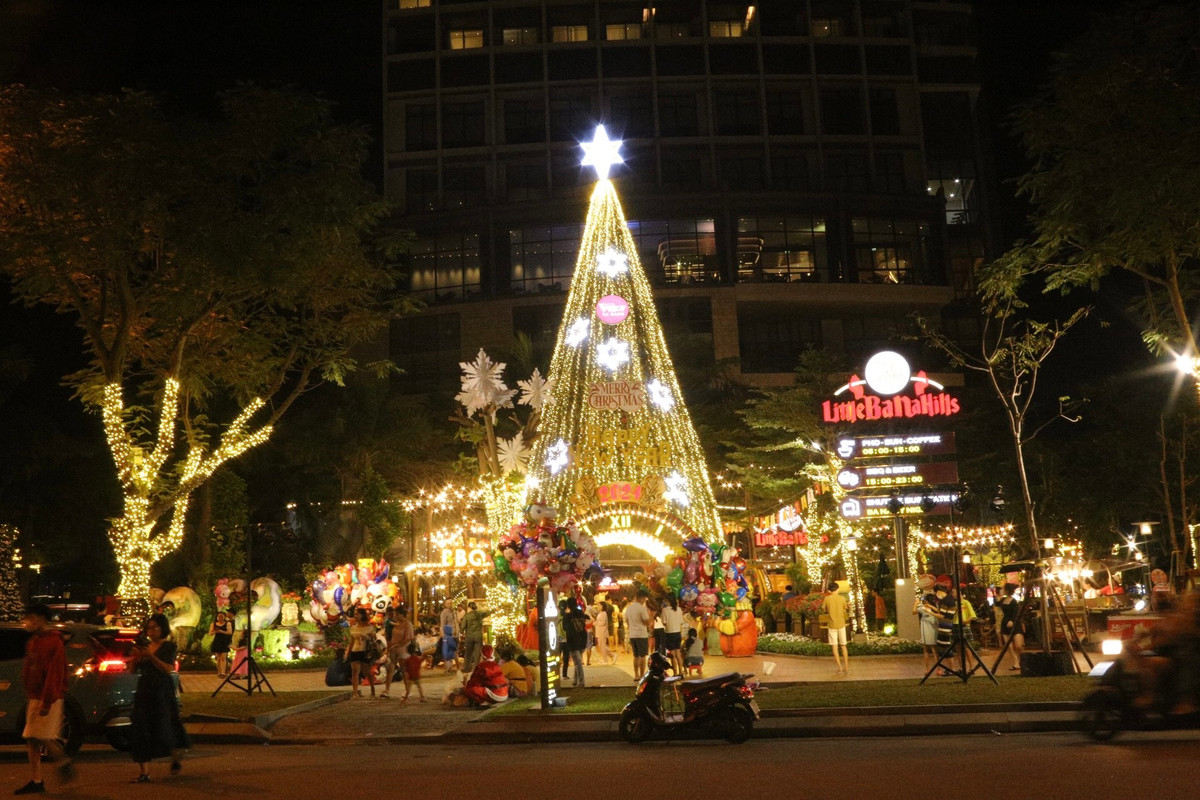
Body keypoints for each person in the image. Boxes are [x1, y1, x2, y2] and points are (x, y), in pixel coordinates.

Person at [15, 603, 74, 795]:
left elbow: (54, 674)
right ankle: (37, 778)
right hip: (36, 696)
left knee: (38, 736)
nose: (27, 622)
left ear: (41, 618)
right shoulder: (34, 641)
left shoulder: (53, 643)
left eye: (30, 617)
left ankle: (60, 762)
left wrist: (47, 701)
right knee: (33, 737)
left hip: (47, 697)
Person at [128, 613, 188, 783]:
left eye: (155, 627)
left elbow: (168, 668)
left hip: (162, 690)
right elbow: (132, 670)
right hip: (145, 689)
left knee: (167, 725)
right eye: (149, 627)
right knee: (141, 726)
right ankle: (144, 771)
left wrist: (151, 656)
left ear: (163, 628)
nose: (152, 630)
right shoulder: (146, 646)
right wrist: (135, 657)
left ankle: (176, 756)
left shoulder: (168, 646)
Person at [344, 608, 377, 699]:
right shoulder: (353, 628)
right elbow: (351, 641)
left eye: (357, 614)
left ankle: (372, 690)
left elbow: (374, 641)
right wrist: (348, 651)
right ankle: (355, 693)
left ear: (362, 615)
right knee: (355, 671)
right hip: (355, 650)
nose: (355, 616)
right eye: (355, 614)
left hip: (365, 651)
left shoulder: (369, 628)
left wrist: (367, 637)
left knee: (367, 671)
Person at [382, 605, 413, 699]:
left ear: (402, 615)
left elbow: (408, 638)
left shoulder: (408, 624)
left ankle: (407, 690)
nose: (395, 616)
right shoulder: (396, 623)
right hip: (393, 649)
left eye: (397, 614)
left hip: (403, 649)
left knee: (404, 670)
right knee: (390, 669)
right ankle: (387, 690)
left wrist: (398, 645)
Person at [822, 581, 850, 675]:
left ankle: (840, 667)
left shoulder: (827, 598)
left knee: (834, 646)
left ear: (829, 590)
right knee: (843, 645)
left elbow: (824, 609)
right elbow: (845, 608)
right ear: (838, 589)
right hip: (841, 624)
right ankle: (846, 666)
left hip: (832, 625)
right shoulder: (842, 598)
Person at [624, 589, 651, 679]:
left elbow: (627, 622)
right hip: (641, 635)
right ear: (642, 598)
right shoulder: (641, 609)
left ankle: (636, 675)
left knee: (635, 656)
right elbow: (647, 622)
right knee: (642, 656)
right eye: (645, 599)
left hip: (632, 635)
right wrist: (652, 616)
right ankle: (642, 675)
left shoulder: (629, 608)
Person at [996, 583, 1023, 670]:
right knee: (1008, 645)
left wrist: (1012, 621)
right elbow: (996, 603)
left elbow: (1016, 612)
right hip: (1005, 623)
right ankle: (1015, 661)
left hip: (1014, 623)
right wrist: (999, 595)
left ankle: (1021, 659)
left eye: (1003, 589)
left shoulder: (1013, 601)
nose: (1002, 590)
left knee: (1018, 645)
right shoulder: (1002, 600)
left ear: (1007, 590)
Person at [459, 601, 492, 674]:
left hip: (469, 637)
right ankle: (476, 669)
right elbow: (488, 613)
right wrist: (495, 610)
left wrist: (461, 631)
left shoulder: (467, 616)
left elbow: (462, 627)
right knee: (477, 654)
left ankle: (467, 668)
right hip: (478, 636)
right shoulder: (480, 614)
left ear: (469, 608)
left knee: (468, 653)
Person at [564, 600, 589, 687]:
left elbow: (564, 628)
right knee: (577, 661)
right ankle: (575, 680)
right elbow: (588, 619)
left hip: (572, 641)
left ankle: (581, 681)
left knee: (577, 662)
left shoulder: (567, 616)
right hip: (582, 640)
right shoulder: (581, 614)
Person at [914, 589, 940, 672]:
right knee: (934, 650)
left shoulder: (924, 608)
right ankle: (938, 669)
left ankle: (928, 669)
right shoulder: (936, 606)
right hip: (934, 627)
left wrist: (915, 603)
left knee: (926, 649)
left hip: (926, 628)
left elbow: (913, 611)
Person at [660, 594, 685, 674]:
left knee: (672, 655)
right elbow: (681, 622)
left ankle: (675, 673)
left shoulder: (665, 610)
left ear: (668, 601)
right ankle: (681, 672)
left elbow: (664, 623)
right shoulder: (679, 609)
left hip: (669, 634)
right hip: (678, 633)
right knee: (678, 653)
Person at [208, 611, 233, 677]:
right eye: (219, 616)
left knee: (223, 657)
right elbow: (210, 633)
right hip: (217, 641)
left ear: (224, 617)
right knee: (218, 658)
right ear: (217, 617)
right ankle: (219, 672)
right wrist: (215, 631)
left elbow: (230, 632)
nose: (220, 618)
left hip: (224, 641)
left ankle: (223, 672)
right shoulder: (213, 624)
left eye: (222, 616)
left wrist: (221, 631)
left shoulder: (228, 623)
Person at [592, 601, 614, 665]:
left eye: (599, 605)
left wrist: (596, 623)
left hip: (602, 631)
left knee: (602, 646)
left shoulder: (604, 613)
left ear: (603, 606)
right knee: (601, 646)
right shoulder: (600, 613)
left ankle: (605, 660)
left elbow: (603, 623)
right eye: (598, 605)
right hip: (599, 631)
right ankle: (612, 656)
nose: (598, 607)